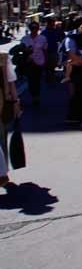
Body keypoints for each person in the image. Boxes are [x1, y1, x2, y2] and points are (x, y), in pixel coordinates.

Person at [0, 52, 22, 188]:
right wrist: (15, 102)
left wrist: (15, 102)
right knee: (1, 138)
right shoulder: (3, 57)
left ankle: (2, 173)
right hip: (2, 104)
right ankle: (2, 172)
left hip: (2, 104)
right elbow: (11, 81)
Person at [21, 22, 48, 106]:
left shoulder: (42, 38)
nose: (34, 30)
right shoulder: (24, 39)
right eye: (32, 28)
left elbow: (45, 50)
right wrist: (26, 51)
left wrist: (45, 62)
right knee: (31, 80)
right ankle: (33, 94)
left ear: (38, 28)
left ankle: (36, 96)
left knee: (37, 79)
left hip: (39, 62)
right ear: (30, 29)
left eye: (36, 28)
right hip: (29, 62)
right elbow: (21, 50)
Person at [41, 18, 64, 83]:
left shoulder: (55, 31)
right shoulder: (44, 32)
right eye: (51, 24)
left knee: (51, 67)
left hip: (53, 51)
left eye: (53, 24)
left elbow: (61, 38)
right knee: (48, 67)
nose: (52, 25)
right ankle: (49, 78)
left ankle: (50, 78)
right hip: (46, 52)